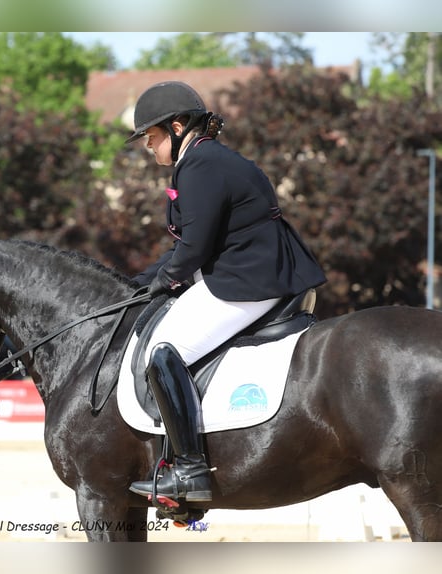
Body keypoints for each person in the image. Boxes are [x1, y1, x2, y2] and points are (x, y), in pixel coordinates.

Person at [126, 81, 326, 503]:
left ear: (177, 126)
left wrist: (162, 283)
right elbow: (191, 245)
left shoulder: (202, 166)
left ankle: (190, 471)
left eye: (151, 136)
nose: (148, 146)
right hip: (253, 270)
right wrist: (142, 281)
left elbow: (194, 249)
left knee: (163, 350)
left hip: (247, 279)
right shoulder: (205, 160)